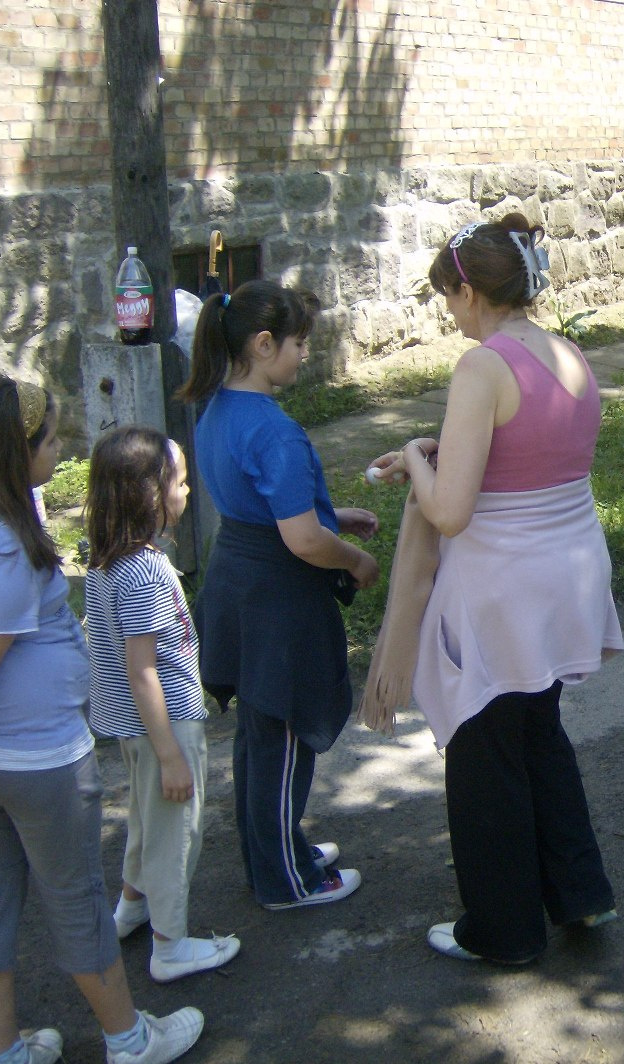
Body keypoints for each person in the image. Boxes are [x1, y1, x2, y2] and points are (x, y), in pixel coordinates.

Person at [0, 377, 203, 1064]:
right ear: (16, 453)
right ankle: (129, 1039)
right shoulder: (3, 551)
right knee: (76, 899)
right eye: (48, 440)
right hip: (37, 759)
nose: (59, 448)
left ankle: (4, 1049)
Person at [363, 214, 623, 964]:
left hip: (504, 589)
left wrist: (416, 459)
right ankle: (581, 892)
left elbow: (449, 510)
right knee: (538, 728)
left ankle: (504, 932)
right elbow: (533, 453)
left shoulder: (481, 368)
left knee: (483, 750)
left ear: (471, 291)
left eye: (447, 296)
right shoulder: (567, 353)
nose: (448, 312)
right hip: (568, 575)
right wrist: (433, 454)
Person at [178, 280, 379, 909]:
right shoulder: (275, 430)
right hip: (278, 601)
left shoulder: (216, 410)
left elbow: (258, 506)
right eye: (299, 344)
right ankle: (286, 881)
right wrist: (354, 558)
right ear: (264, 345)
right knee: (285, 736)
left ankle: (272, 849)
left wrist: (329, 513)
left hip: (237, 581)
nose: (303, 355)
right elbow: (300, 540)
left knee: (259, 738)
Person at [84, 426, 241, 982]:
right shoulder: (145, 571)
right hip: (164, 727)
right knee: (177, 833)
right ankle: (171, 946)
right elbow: (144, 669)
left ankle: (131, 908)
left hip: (133, 729)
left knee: (148, 824)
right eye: (179, 481)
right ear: (150, 495)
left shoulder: (106, 561)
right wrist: (171, 752)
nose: (188, 491)